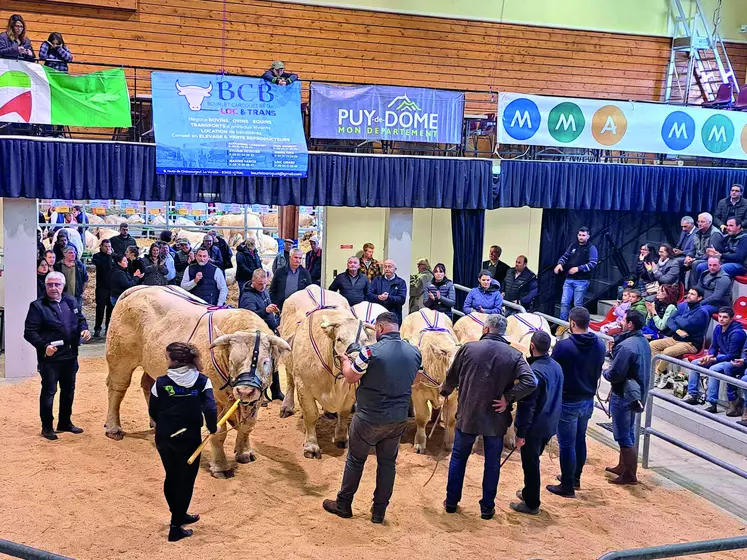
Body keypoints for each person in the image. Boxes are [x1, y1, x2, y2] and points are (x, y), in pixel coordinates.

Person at [323, 312, 422, 524]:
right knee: (387, 464)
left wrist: (344, 361)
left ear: (379, 329)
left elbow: (350, 377)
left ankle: (343, 504)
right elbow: (415, 379)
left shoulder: (369, 351)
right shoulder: (414, 351)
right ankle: (379, 512)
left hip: (369, 417)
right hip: (397, 418)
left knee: (355, 460)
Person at [440, 314, 537, 519]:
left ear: (485, 330)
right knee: (492, 464)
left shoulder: (467, 348)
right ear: (503, 332)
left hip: (467, 415)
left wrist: (444, 391)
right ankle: (486, 508)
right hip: (495, 419)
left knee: (458, 459)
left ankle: (451, 502)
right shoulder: (514, 354)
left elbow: (451, 376)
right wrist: (508, 398)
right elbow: (531, 381)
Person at [148, 342, 217, 542]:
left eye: (167, 357)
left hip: (165, 436)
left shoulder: (160, 383)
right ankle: (176, 525)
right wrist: (213, 428)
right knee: (186, 480)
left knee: (172, 476)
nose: (166, 360)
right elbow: (210, 409)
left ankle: (179, 514)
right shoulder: (203, 381)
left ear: (175, 361)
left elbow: (153, 411)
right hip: (190, 438)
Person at [24, 271, 91, 440]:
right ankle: (47, 427)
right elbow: (29, 332)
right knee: (49, 392)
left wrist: (84, 329)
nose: (54, 288)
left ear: (63, 286)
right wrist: (44, 346)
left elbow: (81, 319)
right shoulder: (37, 306)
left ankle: (65, 422)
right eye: (50, 284)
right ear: (45, 286)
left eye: (57, 284)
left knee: (68, 391)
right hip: (50, 359)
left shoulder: (71, 301)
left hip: (70, 356)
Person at [547, 307, 606, 498]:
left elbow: (553, 371)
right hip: (587, 399)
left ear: (572, 323)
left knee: (566, 444)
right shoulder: (599, 344)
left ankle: (567, 485)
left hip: (568, 400)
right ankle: (575, 478)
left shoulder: (563, 346)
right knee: (580, 439)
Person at [511, 331, 563, 515]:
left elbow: (528, 405)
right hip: (550, 423)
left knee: (530, 464)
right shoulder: (556, 366)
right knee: (534, 460)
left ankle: (532, 503)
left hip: (535, 426)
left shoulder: (534, 372)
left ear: (532, 346)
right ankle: (527, 493)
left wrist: (521, 432)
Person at [603, 310, 651, 485]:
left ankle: (630, 474)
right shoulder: (643, 341)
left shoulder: (627, 346)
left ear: (630, 324)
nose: (621, 322)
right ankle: (623, 466)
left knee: (624, 435)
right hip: (636, 393)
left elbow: (616, 373)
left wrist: (605, 372)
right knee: (628, 431)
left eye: (624, 320)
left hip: (624, 393)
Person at [683, 307, 746, 415]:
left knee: (713, 369)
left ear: (731, 319)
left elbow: (732, 355)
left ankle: (711, 403)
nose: (721, 319)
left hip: (731, 361)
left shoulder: (737, 333)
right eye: (720, 316)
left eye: (725, 317)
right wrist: (710, 355)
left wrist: (714, 359)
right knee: (694, 364)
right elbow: (714, 346)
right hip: (719, 357)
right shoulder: (717, 328)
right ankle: (692, 394)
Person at [650, 287, 710, 389]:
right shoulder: (683, 306)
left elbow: (686, 324)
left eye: (692, 294)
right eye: (689, 293)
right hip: (675, 338)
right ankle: (664, 372)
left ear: (699, 298)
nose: (688, 296)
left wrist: (677, 318)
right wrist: (677, 330)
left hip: (691, 343)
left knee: (667, 352)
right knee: (652, 345)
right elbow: (669, 320)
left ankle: (657, 373)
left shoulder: (702, 312)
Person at [554, 227, 598, 321]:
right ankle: (563, 324)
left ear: (588, 236)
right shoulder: (573, 245)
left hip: (582, 280)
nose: (581, 237)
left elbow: (593, 263)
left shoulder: (591, 248)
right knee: (564, 303)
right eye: (579, 235)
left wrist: (578, 268)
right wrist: (559, 264)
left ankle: (576, 324)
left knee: (577, 305)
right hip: (569, 279)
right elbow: (564, 257)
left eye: (583, 235)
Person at [239, 269, 280, 335]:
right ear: (253, 281)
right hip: (259, 334)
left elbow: (267, 306)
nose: (263, 287)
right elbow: (250, 317)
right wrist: (266, 310)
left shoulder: (263, 290)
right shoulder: (247, 298)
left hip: (270, 329)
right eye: (260, 284)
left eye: (265, 283)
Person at [686, 212, 720, 288]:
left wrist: (694, 259)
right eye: (698, 221)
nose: (699, 224)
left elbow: (712, 254)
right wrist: (688, 256)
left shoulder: (715, 234)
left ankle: (694, 288)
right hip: (697, 257)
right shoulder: (697, 233)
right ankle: (679, 288)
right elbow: (693, 249)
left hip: (708, 259)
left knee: (696, 264)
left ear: (710, 222)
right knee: (678, 262)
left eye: (702, 222)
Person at [368, 259, 407, 324]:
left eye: (390, 266)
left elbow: (402, 299)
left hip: (394, 315)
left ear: (395, 269)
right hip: (378, 314)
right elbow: (369, 295)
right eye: (385, 267)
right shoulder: (377, 280)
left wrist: (389, 297)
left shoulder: (401, 282)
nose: (387, 269)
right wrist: (378, 297)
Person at [90, 239, 114, 337]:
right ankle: (97, 328)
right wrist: (108, 256)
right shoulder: (97, 257)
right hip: (101, 287)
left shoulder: (114, 257)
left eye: (109, 246)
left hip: (112, 287)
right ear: (101, 246)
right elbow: (102, 266)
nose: (108, 248)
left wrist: (110, 256)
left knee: (110, 309)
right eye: (105, 246)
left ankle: (108, 327)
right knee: (100, 309)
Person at [54, 246, 88, 311]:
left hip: (76, 297)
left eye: (74, 253)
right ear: (64, 254)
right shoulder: (58, 266)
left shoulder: (80, 266)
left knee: (77, 315)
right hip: (62, 296)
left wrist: (81, 291)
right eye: (70, 253)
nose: (73, 254)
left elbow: (85, 279)